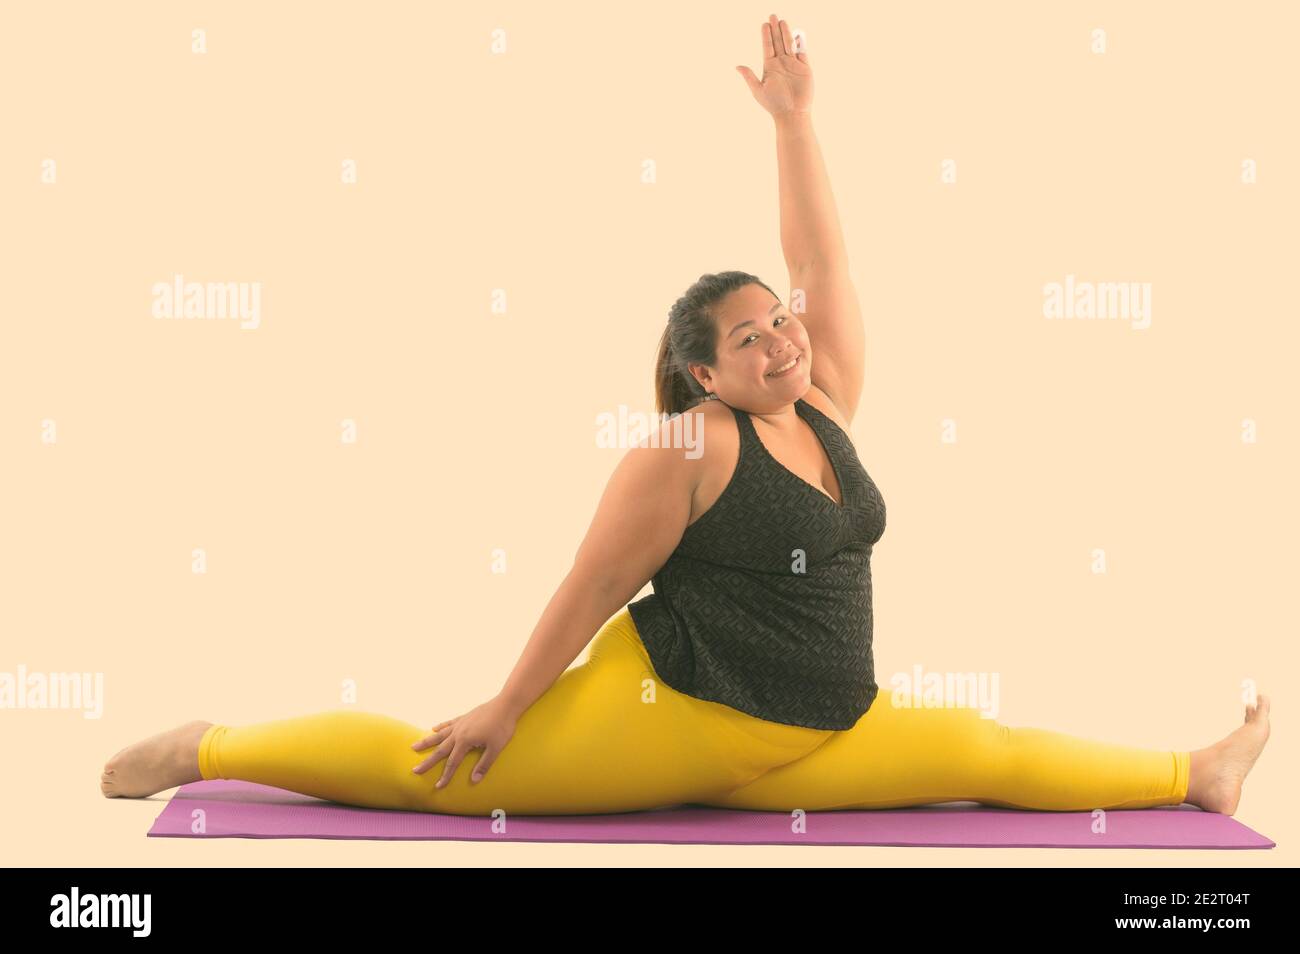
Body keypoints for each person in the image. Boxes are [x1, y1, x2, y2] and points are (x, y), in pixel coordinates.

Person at [102, 15, 1268, 818]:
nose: (778, 339)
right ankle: (203, 745)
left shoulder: (827, 400)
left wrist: (792, 124)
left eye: (778, 322)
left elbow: (824, 257)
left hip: (823, 725)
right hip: (678, 715)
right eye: (746, 338)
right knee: (437, 771)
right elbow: (589, 582)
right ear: (702, 375)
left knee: (988, 752)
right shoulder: (693, 444)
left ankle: (1196, 773)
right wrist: (509, 706)